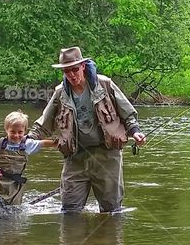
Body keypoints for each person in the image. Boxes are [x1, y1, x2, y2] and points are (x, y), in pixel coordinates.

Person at [30, 46, 146, 213]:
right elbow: (43, 123)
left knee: (111, 211)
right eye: (66, 71)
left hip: (107, 155)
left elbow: (127, 114)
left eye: (74, 69)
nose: (71, 75)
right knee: (69, 211)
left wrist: (136, 132)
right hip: (75, 157)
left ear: (83, 66)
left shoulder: (105, 85)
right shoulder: (60, 93)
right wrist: (28, 138)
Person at [0, 110, 55, 205]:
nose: (16, 135)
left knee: (13, 209)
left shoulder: (27, 144)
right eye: (12, 132)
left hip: (14, 185)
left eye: (20, 132)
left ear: (25, 131)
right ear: (6, 130)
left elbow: (43, 143)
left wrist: (60, 143)